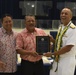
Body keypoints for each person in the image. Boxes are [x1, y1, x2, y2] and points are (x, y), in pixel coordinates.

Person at [43, 7, 76, 75]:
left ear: (70, 16)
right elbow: (60, 44)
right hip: (57, 59)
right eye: (62, 13)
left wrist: (52, 54)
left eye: (66, 14)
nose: (63, 15)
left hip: (67, 60)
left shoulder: (73, 29)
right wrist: (53, 41)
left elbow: (68, 48)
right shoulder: (61, 27)